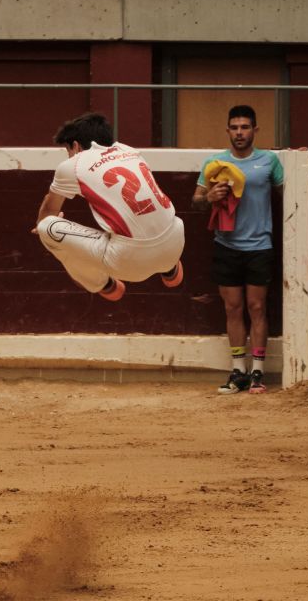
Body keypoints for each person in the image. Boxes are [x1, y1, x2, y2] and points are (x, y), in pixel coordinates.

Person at [35, 112, 185, 303]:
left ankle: (103, 285)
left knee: (47, 229)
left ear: (75, 146)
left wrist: (44, 227)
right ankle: (170, 269)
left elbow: (49, 210)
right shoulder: (130, 151)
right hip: (176, 241)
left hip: (129, 261)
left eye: (68, 150)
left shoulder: (73, 164)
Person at [193, 105, 284, 394]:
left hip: (260, 244)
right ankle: (239, 370)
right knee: (232, 308)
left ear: (255, 130)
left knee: (257, 307)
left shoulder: (269, 161)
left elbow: (291, 194)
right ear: (228, 130)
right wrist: (210, 195)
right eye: (235, 127)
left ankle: (258, 372)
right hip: (227, 244)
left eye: (245, 127)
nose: (240, 132)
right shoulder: (214, 163)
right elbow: (196, 200)